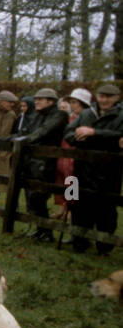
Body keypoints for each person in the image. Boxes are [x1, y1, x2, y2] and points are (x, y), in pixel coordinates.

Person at [68, 82, 123, 254]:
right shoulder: (86, 113)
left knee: (106, 208)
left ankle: (104, 246)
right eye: (101, 96)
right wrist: (77, 137)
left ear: (116, 98)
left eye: (109, 97)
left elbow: (119, 137)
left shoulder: (121, 115)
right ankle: (79, 242)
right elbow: (69, 132)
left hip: (109, 169)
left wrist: (93, 133)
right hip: (82, 167)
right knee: (79, 206)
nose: (104, 100)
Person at [11, 87, 68, 241]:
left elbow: (41, 132)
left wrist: (21, 141)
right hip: (32, 162)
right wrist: (4, 139)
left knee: (39, 197)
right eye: (35, 99)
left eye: (40, 99)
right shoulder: (38, 115)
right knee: (32, 198)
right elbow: (26, 132)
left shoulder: (59, 115)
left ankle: (47, 232)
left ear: (51, 101)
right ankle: (41, 230)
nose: (36, 102)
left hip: (47, 163)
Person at [56, 88, 96, 220]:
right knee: (63, 178)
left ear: (82, 103)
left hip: (77, 155)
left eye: (74, 102)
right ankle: (64, 205)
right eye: (71, 102)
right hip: (65, 152)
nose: (71, 105)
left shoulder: (87, 118)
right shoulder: (70, 117)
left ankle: (71, 207)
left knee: (72, 180)